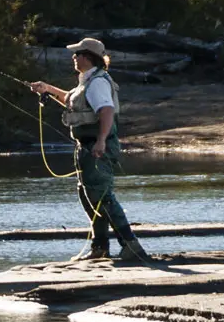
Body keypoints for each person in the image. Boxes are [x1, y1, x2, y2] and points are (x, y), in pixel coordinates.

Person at [29, 37, 151, 263]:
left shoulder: (97, 83)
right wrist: (47, 89)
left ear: (88, 57)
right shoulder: (86, 81)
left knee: (102, 197)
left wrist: (101, 141)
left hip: (97, 147)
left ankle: (131, 246)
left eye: (77, 54)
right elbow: (71, 100)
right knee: (89, 197)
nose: (74, 57)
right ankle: (100, 248)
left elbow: (106, 111)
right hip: (85, 147)